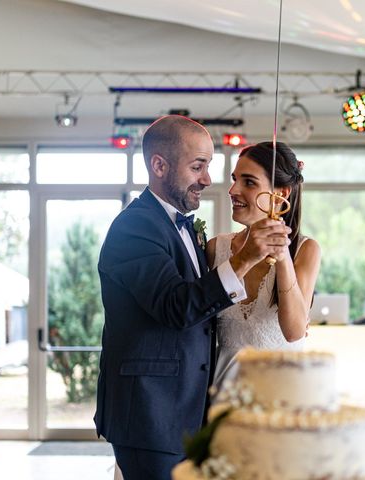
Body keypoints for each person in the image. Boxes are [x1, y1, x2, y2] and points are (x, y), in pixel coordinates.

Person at [94, 116, 290, 480]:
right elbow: (177, 306)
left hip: (184, 412)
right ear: (159, 165)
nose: (207, 179)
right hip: (150, 413)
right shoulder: (135, 227)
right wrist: (245, 259)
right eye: (198, 166)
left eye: (209, 167)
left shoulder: (178, 225)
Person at [207, 141, 321, 391]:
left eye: (248, 182)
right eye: (234, 179)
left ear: (280, 194)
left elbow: (293, 332)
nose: (233, 189)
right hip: (223, 398)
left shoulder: (306, 250)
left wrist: (283, 258)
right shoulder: (216, 248)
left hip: (282, 398)